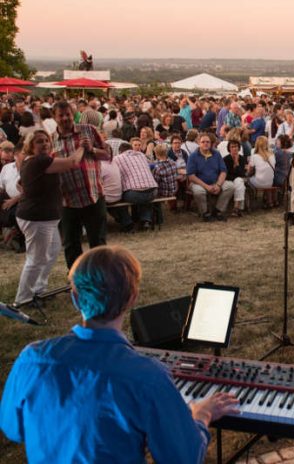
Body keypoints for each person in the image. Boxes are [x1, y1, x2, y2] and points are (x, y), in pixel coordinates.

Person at [0, 245, 239, 463]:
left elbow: (13, 428)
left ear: (75, 298)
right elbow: (182, 458)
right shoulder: (148, 376)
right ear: (132, 298)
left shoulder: (32, 358)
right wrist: (201, 415)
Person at [13, 131, 83, 306]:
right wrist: (82, 146)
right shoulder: (39, 161)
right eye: (39, 142)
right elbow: (72, 162)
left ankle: (39, 289)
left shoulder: (31, 161)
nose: (44, 144)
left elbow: (19, 184)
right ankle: (24, 298)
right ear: (31, 145)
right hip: (37, 218)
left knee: (50, 252)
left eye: (46, 141)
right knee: (36, 258)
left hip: (42, 217)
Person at [52, 101, 111, 269]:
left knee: (98, 243)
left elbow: (107, 155)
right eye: (60, 115)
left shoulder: (88, 130)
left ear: (73, 114)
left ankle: (101, 277)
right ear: (54, 118)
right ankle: (76, 280)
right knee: (71, 244)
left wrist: (92, 149)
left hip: (93, 195)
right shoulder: (51, 138)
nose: (65, 118)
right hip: (67, 200)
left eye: (68, 114)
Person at [186, 132, 234, 221]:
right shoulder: (193, 156)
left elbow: (223, 171)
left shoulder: (216, 154)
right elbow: (191, 176)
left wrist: (218, 185)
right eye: (203, 142)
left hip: (215, 182)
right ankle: (205, 213)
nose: (205, 144)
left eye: (207, 142)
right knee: (199, 191)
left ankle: (218, 210)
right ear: (198, 143)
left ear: (211, 143)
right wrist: (206, 186)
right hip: (199, 183)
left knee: (230, 186)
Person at [112, 144, 158, 232]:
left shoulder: (117, 158)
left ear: (120, 151)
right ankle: (146, 220)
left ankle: (128, 223)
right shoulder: (141, 155)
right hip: (153, 190)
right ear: (131, 149)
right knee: (146, 194)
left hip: (134, 194)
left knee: (116, 198)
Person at [247, 136, 276, 207]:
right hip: (270, 183)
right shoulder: (272, 155)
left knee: (247, 180)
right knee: (266, 177)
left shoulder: (254, 156)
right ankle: (269, 201)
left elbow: (249, 171)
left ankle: (250, 202)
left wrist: (248, 167)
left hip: (259, 183)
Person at [222, 139, 247, 216]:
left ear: (239, 148)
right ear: (229, 149)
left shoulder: (242, 159)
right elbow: (226, 174)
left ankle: (236, 207)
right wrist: (236, 176)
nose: (234, 148)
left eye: (236, 146)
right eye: (232, 147)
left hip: (238, 179)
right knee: (239, 182)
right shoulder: (225, 159)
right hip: (228, 180)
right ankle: (238, 208)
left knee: (239, 181)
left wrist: (237, 163)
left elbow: (242, 173)